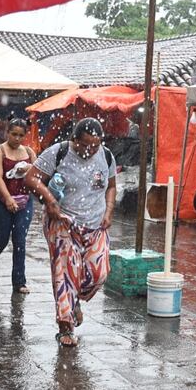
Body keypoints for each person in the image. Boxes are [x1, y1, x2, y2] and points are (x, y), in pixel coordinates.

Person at [25, 118, 116, 347]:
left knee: (100, 273)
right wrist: (50, 201)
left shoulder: (106, 156)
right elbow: (31, 178)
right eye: (85, 145)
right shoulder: (59, 152)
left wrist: (109, 212)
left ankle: (75, 300)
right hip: (63, 223)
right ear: (74, 140)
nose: (90, 150)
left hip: (96, 224)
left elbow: (112, 186)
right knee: (64, 274)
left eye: (95, 146)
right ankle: (65, 326)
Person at [0, 119, 36, 293]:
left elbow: (37, 174)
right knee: (1, 240)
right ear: (7, 133)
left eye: (21, 135)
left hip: (25, 201)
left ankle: (19, 281)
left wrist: (28, 168)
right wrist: (7, 199)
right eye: (14, 134)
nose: (17, 138)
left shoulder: (29, 152)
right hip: (2, 201)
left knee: (20, 240)